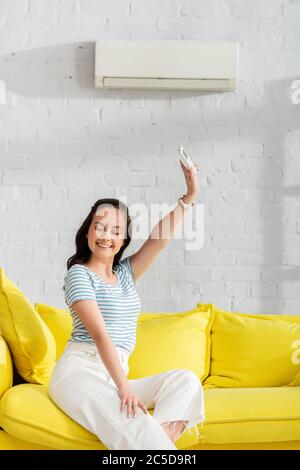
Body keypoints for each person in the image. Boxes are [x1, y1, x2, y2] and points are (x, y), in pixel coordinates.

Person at [48, 159, 205, 450]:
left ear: (123, 240)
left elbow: (158, 241)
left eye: (116, 230)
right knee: (136, 423)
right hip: (80, 373)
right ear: (88, 231)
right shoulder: (79, 274)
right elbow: (100, 335)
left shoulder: (124, 275)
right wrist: (124, 389)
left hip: (114, 374)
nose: (107, 236)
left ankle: (156, 443)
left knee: (185, 381)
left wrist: (189, 197)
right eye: (100, 227)